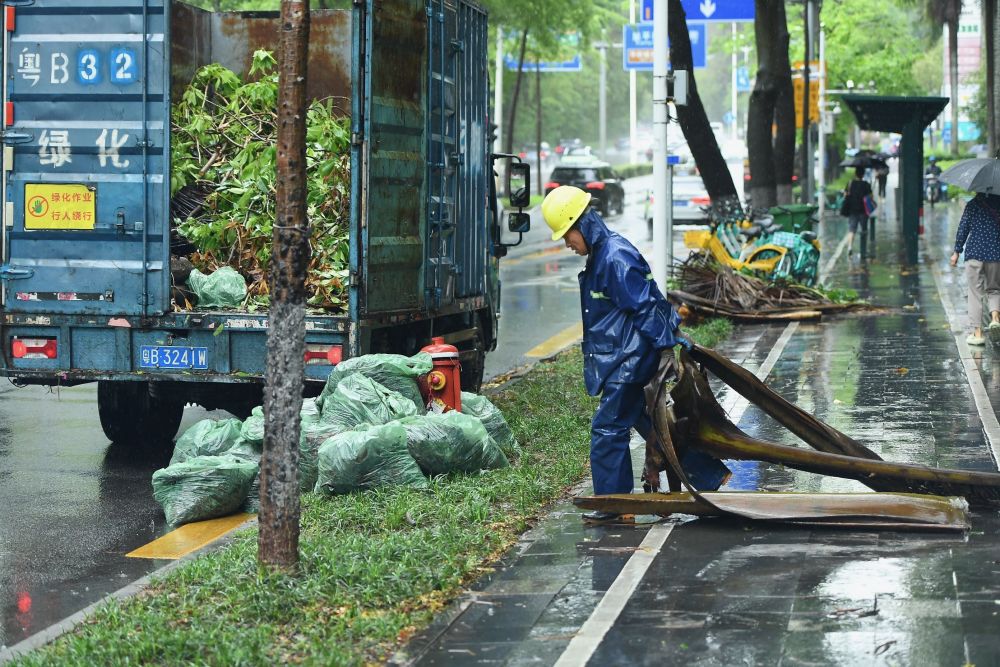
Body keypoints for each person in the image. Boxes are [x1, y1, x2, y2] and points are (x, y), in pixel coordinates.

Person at [540, 185, 728, 523]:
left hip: (629, 360)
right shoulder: (604, 254)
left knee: (608, 428)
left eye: (567, 235)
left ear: (581, 224)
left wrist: (664, 348)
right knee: (651, 422)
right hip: (625, 355)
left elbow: (644, 306)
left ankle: (615, 504)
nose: (567, 244)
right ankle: (707, 476)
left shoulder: (613, 256)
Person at [950, 193, 1000, 345]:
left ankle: (977, 334)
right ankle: (995, 318)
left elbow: (963, 227)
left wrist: (956, 251)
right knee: (994, 289)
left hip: (974, 254)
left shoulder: (973, 204)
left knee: (975, 293)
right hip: (995, 253)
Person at [842, 166, 872, 257]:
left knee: (852, 230)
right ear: (863, 174)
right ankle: (863, 250)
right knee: (864, 230)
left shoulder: (850, 183)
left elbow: (845, 195)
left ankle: (850, 247)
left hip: (852, 210)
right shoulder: (866, 184)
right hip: (863, 210)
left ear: (855, 174)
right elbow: (870, 198)